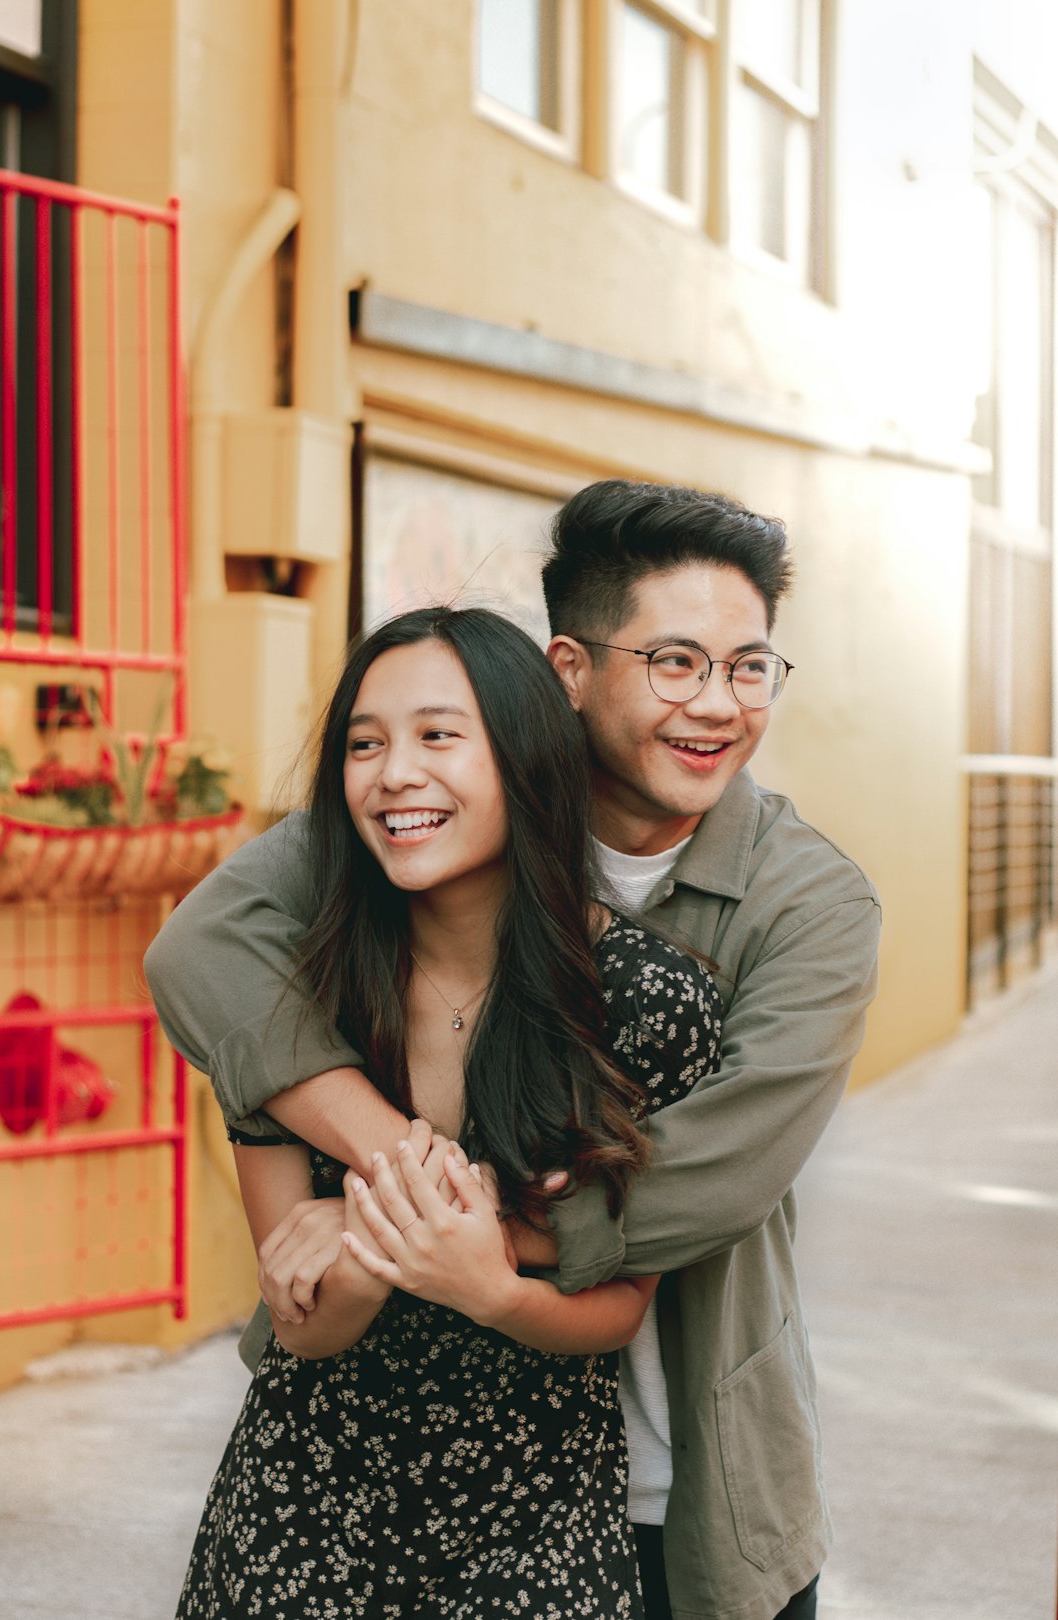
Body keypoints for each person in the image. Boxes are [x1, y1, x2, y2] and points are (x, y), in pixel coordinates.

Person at [146, 480, 882, 1620]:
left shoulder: (808, 905)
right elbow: (203, 950)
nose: (721, 705)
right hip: (370, 1479)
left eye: (750, 667)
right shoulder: (441, 808)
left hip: (683, 1471)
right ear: (569, 673)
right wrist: (403, 1177)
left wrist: (421, 1220)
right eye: (677, 662)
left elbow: (715, 1174)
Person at [173, 605, 723, 1618]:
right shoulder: (295, 994)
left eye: (437, 735)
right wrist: (387, 1237)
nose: (394, 774)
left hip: (536, 1522)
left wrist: (489, 1287)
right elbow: (305, 1329)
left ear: (526, 758)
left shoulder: (642, 1000)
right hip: (302, 1510)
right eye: (364, 744)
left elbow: (617, 1304)